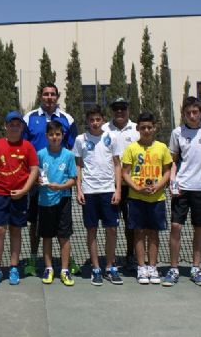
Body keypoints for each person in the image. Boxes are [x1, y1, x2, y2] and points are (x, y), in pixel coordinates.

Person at [163, 96, 201, 287]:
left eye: (195, 112)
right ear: (184, 114)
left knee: (199, 228)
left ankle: (196, 268)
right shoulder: (177, 133)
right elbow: (172, 160)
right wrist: (172, 183)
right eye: (188, 113)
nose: (191, 116)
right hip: (181, 189)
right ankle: (173, 269)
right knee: (176, 227)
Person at [23, 83, 78, 276]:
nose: (49, 97)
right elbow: (23, 148)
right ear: (41, 96)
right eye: (46, 94)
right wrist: (31, 178)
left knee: (64, 227)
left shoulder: (67, 119)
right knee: (35, 223)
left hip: (61, 184)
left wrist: (65, 179)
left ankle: (66, 262)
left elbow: (72, 149)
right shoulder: (29, 118)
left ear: (57, 96)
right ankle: (33, 257)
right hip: (36, 183)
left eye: (52, 94)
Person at [0, 111, 39, 287]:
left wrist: (24, 190)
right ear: (5, 126)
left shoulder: (28, 146)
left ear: (22, 127)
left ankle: (13, 267)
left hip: (20, 196)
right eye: (11, 124)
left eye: (18, 124)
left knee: (16, 230)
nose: (14, 127)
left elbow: (34, 170)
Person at [73, 105, 122, 286]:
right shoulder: (80, 139)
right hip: (89, 191)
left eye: (98, 119)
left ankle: (110, 267)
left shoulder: (112, 137)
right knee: (91, 230)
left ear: (103, 120)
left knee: (111, 229)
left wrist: (118, 190)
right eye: (91, 119)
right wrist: (78, 189)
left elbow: (117, 164)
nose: (95, 123)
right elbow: (78, 166)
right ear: (87, 121)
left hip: (108, 191)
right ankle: (95, 268)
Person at [121, 112, 172, 285]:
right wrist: (137, 188)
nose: (146, 130)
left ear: (154, 127)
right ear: (137, 129)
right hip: (136, 198)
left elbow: (167, 171)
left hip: (157, 198)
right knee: (138, 232)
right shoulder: (131, 149)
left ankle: (152, 266)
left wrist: (159, 186)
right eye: (143, 127)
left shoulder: (162, 147)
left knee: (154, 233)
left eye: (149, 127)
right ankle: (141, 267)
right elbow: (125, 173)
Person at [102, 97, 140, 269]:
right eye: (116, 108)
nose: (119, 111)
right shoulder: (103, 129)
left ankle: (130, 255)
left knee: (131, 223)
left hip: (131, 186)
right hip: (109, 186)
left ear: (128, 110)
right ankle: (111, 258)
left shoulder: (137, 130)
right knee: (110, 224)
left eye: (122, 108)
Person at [37, 121, 77, 286]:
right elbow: (35, 175)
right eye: (51, 134)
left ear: (62, 136)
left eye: (58, 134)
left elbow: (73, 179)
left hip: (63, 200)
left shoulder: (68, 155)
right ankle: (49, 268)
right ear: (47, 136)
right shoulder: (40, 154)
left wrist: (60, 186)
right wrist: (37, 180)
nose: (55, 137)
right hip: (45, 200)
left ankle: (64, 270)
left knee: (64, 236)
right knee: (47, 236)